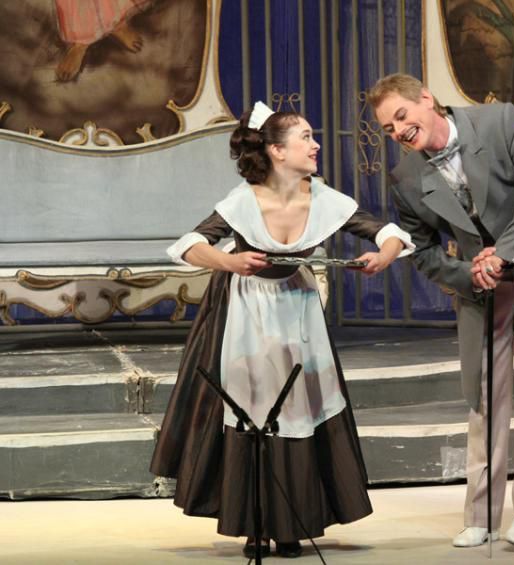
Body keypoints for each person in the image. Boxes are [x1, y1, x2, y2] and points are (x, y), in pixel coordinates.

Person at [149, 102, 414, 559]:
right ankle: (255, 524)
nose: (315, 145)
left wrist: (383, 257)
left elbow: (387, 233)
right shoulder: (244, 200)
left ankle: (292, 524)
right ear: (276, 151)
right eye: (305, 137)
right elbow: (189, 246)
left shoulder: (323, 198)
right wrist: (229, 261)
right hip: (248, 314)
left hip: (298, 311)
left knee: (298, 410)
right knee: (253, 410)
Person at [368, 74, 514, 550]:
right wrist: (469, 274)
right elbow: (424, 251)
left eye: (401, 117)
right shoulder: (407, 178)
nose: (398, 131)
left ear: (426, 99)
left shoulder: (497, 123)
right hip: (483, 288)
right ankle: (480, 516)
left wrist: (504, 253)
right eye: (388, 128)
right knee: (485, 398)